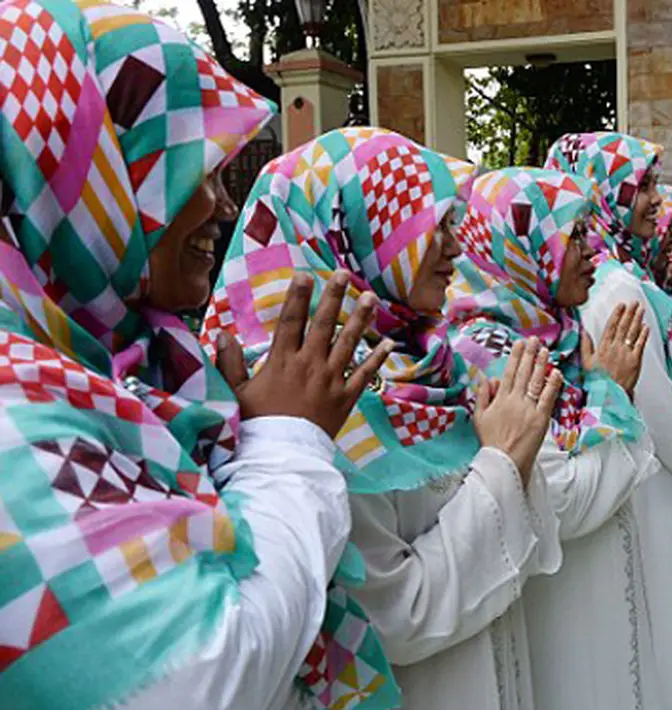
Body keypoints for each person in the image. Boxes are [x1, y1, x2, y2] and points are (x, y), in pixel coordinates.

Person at [0, 4, 393, 709]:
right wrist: (286, 443)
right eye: (196, 173)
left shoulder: (140, 367)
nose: (220, 206)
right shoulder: (11, 408)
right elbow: (198, 673)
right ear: (93, 181)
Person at [204, 128, 567, 710]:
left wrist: (512, 450)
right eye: (434, 227)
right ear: (357, 227)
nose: (455, 247)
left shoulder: (429, 364)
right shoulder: (303, 398)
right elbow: (395, 617)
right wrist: (502, 463)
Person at [444, 167, 664, 710]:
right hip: (561, 606)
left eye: (591, 232)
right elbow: (560, 499)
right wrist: (610, 394)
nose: (593, 251)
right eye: (574, 236)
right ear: (523, 245)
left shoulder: (559, 331)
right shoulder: (492, 351)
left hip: (599, 593)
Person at [546, 131, 672, 710]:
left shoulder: (592, 274)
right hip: (646, 478)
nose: (653, 197)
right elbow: (653, 400)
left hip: (617, 471)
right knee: (661, 634)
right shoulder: (616, 284)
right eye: (640, 184)